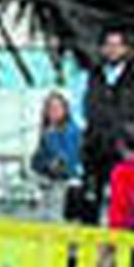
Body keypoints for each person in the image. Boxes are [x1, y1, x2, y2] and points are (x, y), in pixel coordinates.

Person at [74, 25, 134, 224]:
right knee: (90, 200)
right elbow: (76, 106)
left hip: (124, 147)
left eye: (117, 45)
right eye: (108, 45)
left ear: (126, 49)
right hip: (94, 145)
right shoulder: (88, 76)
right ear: (102, 49)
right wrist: (86, 127)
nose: (112, 50)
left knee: (121, 201)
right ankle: (89, 246)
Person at [30, 89, 82, 218]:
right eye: (50, 108)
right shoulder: (48, 131)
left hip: (63, 187)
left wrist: (50, 164)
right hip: (47, 184)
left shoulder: (70, 131)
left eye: (57, 107)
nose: (53, 112)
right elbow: (36, 160)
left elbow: (66, 160)